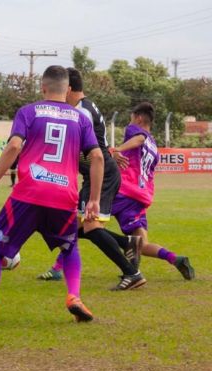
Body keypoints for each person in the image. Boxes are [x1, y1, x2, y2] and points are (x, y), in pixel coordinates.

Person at [0, 66, 104, 327]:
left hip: (28, 194)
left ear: (43, 88)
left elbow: (14, 146)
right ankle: (74, 296)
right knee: (70, 246)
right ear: (67, 90)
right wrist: (94, 199)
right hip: (64, 195)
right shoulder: (81, 118)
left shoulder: (28, 112)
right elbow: (97, 156)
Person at [36, 68, 145, 291]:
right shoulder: (85, 107)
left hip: (101, 173)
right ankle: (126, 243)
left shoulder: (81, 111)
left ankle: (131, 273)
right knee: (72, 229)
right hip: (99, 171)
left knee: (91, 226)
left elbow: (85, 148)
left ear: (69, 89)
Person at [108, 102, 194, 283]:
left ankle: (58, 267)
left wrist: (117, 149)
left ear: (138, 118)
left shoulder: (134, 130)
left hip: (125, 192)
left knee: (87, 224)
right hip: (142, 196)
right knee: (141, 244)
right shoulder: (154, 145)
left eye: (132, 117)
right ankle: (175, 259)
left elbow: (138, 138)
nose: (130, 122)